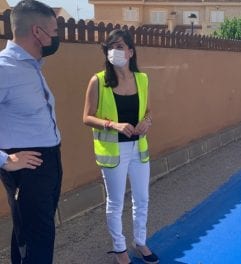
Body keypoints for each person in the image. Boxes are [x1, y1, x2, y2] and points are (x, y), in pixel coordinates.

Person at [83, 29, 158, 264]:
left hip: (139, 149)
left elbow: (148, 111)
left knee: (142, 198)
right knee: (116, 202)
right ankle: (119, 249)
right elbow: (87, 117)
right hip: (113, 152)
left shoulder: (142, 79)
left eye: (120, 46)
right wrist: (112, 125)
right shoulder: (98, 80)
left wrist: (147, 122)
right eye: (111, 46)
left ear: (131, 51)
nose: (115, 50)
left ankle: (140, 242)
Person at [0, 1, 62, 263]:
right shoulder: (4, 69)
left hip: (48, 161)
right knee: (36, 239)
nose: (57, 36)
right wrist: (5, 160)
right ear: (38, 32)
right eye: (54, 30)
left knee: (34, 235)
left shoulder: (32, 66)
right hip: (26, 167)